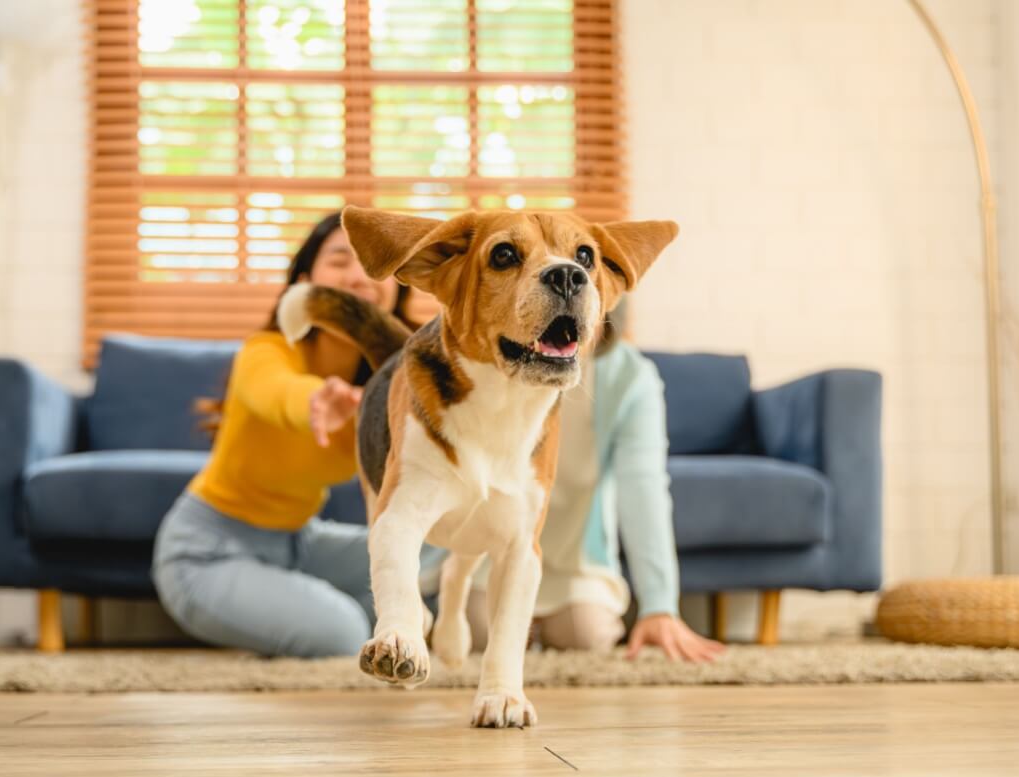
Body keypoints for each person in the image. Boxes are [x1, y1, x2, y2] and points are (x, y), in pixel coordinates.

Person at [152, 211, 412, 658]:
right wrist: (315, 401)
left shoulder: (401, 379)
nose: (359, 275)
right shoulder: (267, 351)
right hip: (207, 550)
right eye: (339, 260)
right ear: (306, 279)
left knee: (430, 553)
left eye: (374, 264)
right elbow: (275, 391)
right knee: (344, 632)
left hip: (300, 542)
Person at [456, 304, 725, 662]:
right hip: (491, 547)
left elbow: (644, 490)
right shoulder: (491, 358)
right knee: (478, 631)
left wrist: (659, 605)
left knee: (585, 633)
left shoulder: (630, 377)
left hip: (576, 557)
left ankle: (588, 613)